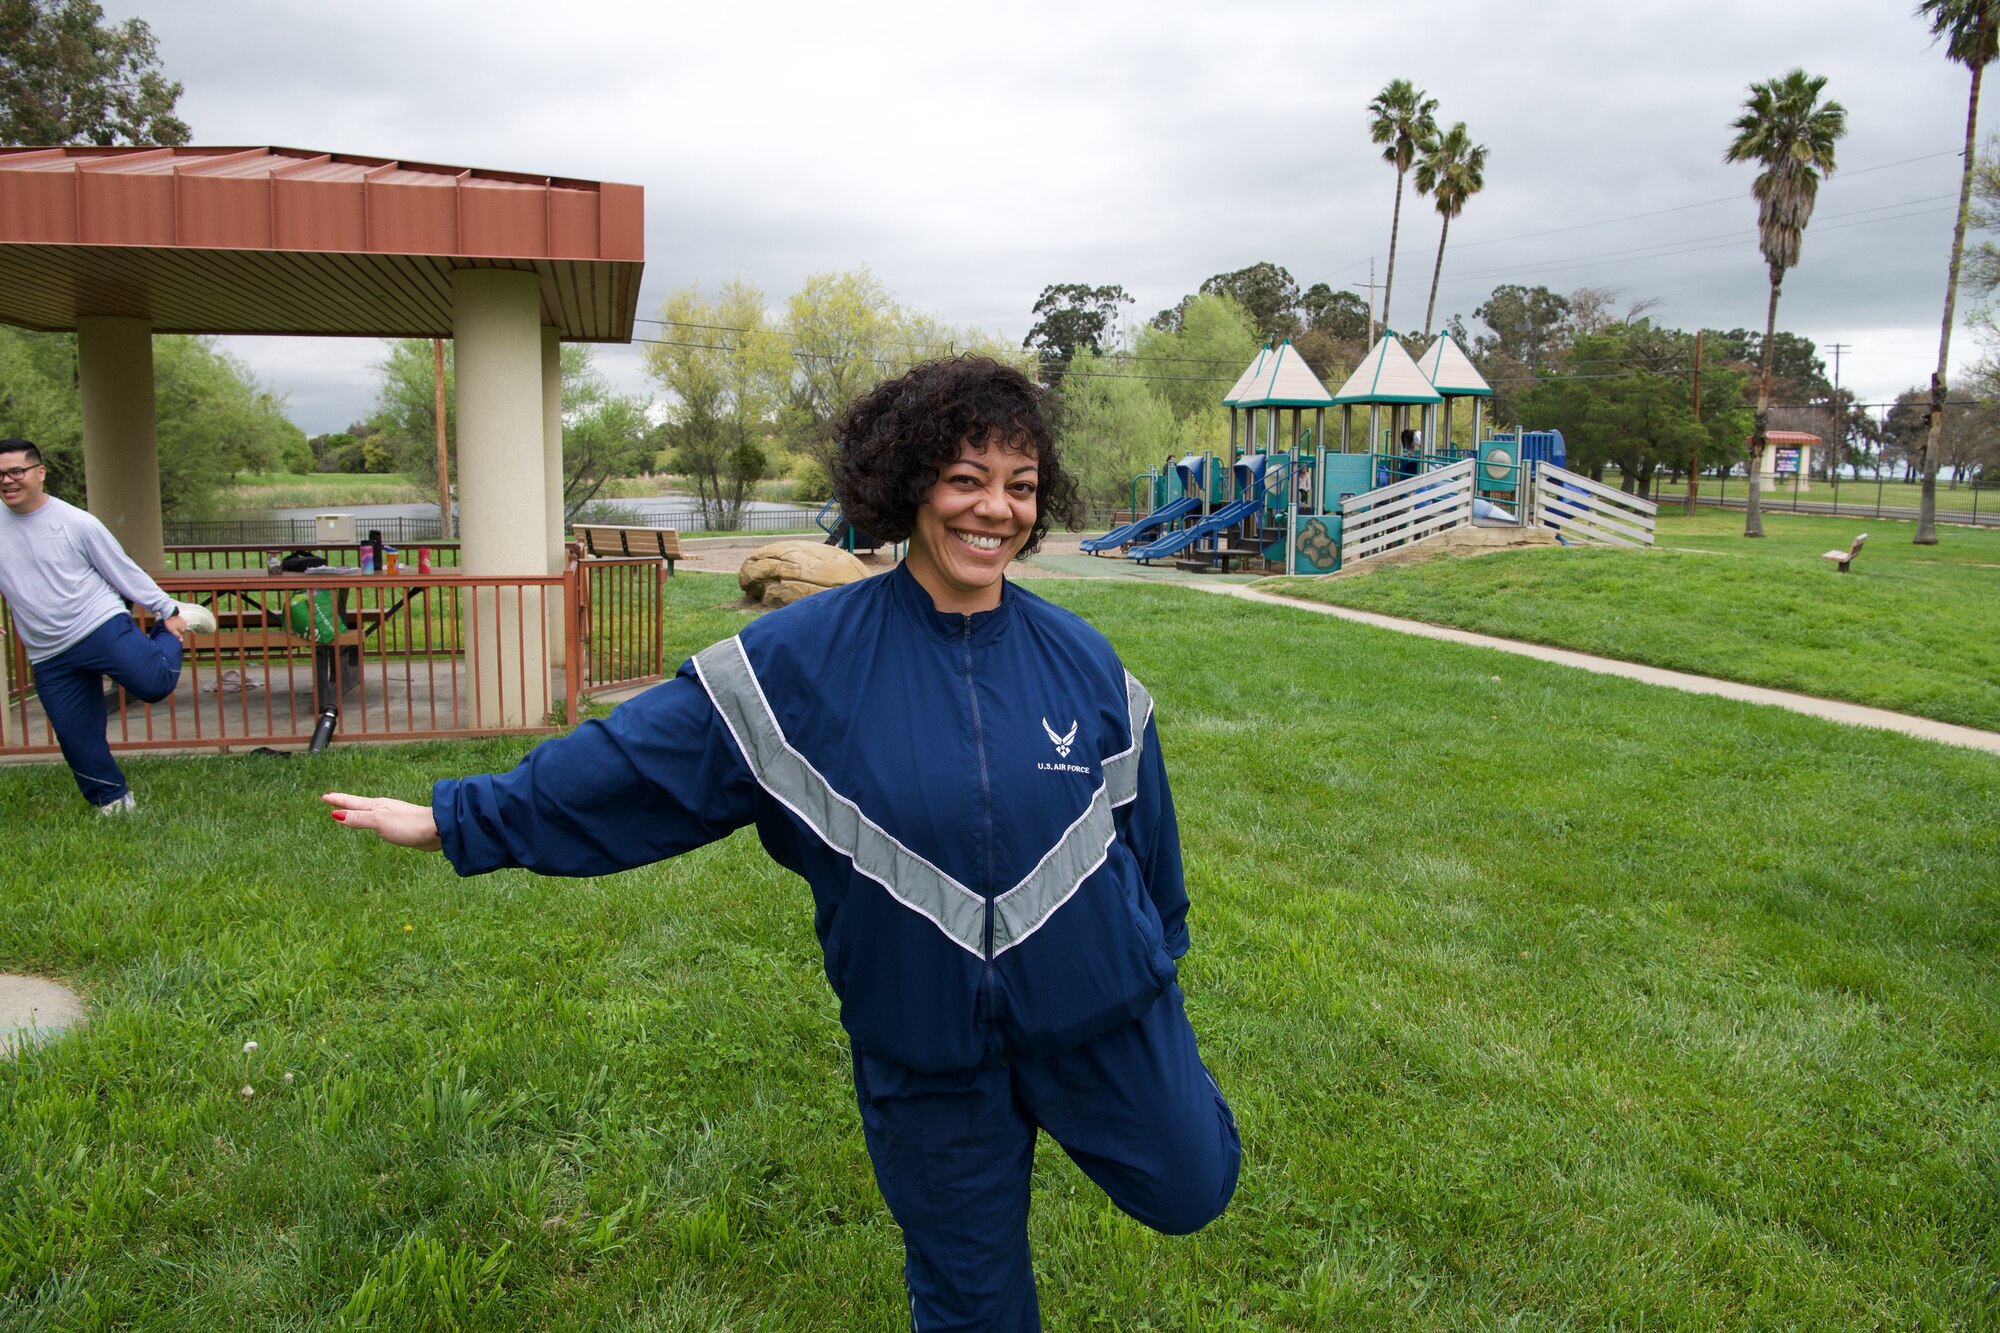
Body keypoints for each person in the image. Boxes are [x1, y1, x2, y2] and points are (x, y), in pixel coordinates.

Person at [325, 358, 1239, 1330]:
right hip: (925, 1050)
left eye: (1018, 485)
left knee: (1194, 1185)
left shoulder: (1086, 664)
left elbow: (1148, 838)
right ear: (908, 482)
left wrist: (1154, 963)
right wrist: (459, 818)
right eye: (965, 478)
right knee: (973, 1305)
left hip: (1100, 1010)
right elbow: (635, 758)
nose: (995, 510)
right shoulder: (798, 663)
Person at [0, 438, 215, 812]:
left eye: (16, 471)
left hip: (97, 623)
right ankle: (113, 802)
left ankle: (173, 626)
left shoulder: (76, 523)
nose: (8, 481)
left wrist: (165, 609)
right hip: (48, 650)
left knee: (153, 684)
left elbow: (123, 570)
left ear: (39, 473)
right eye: (0, 474)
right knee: (74, 733)